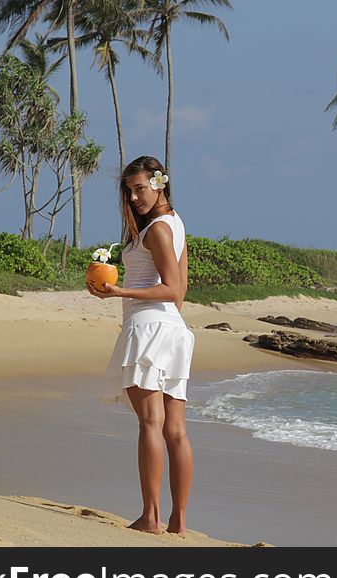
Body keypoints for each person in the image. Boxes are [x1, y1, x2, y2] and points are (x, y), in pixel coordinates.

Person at [88, 155, 195, 536]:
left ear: (159, 184)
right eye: (128, 191)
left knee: (152, 423)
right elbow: (179, 296)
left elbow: (173, 288)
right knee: (175, 430)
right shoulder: (174, 224)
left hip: (148, 328)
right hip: (173, 330)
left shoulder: (156, 231)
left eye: (140, 189)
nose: (133, 198)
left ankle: (151, 518)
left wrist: (119, 290)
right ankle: (178, 522)